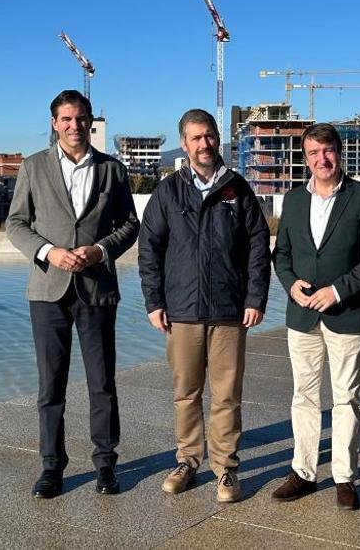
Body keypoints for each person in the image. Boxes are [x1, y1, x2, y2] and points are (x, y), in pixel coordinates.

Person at [5, 90, 140, 499]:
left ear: (90, 121)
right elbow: (16, 224)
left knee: (102, 383)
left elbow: (129, 225)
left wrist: (99, 250)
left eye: (80, 118)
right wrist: (50, 252)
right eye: (66, 119)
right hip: (48, 290)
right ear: (54, 123)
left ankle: (105, 465)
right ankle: (52, 467)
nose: (74, 125)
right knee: (51, 387)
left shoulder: (112, 170)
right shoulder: (33, 167)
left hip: (96, 289)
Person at [137, 108, 271, 504]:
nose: (204, 144)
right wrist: (154, 301)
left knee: (227, 395)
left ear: (217, 137)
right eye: (196, 138)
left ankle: (226, 467)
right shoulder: (168, 192)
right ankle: (187, 461)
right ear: (184, 144)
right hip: (182, 311)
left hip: (229, 310)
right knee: (186, 393)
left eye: (209, 135)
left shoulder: (237, 189)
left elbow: (258, 247)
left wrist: (255, 297)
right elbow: (149, 249)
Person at [270, 123, 360, 510]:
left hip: (346, 313)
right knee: (303, 396)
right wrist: (290, 284)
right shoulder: (293, 200)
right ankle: (303, 472)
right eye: (313, 153)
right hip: (301, 314)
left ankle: (344, 477)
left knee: (346, 398)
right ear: (305, 158)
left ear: (340, 152)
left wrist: (337, 290)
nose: (322, 159)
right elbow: (282, 254)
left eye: (328, 151)